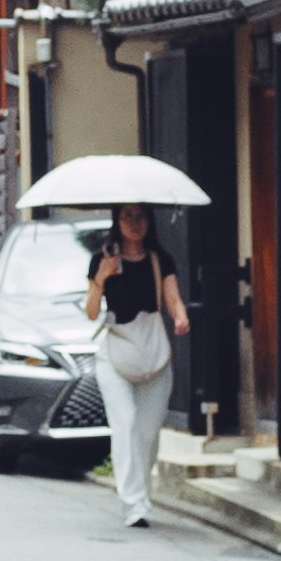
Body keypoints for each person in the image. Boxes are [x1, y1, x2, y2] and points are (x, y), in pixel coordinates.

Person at [84, 203, 189, 527]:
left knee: (148, 433)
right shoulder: (102, 258)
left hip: (153, 354)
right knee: (126, 423)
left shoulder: (160, 259)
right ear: (117, 220)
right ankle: (134, 504)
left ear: (149, 221)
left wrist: (181, 316)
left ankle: (140, 491)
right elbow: (90, 311)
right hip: (115, 355)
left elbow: (172, 297)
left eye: (140, 216)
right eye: (127, 215)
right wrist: (102, 276)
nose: (134, 222)